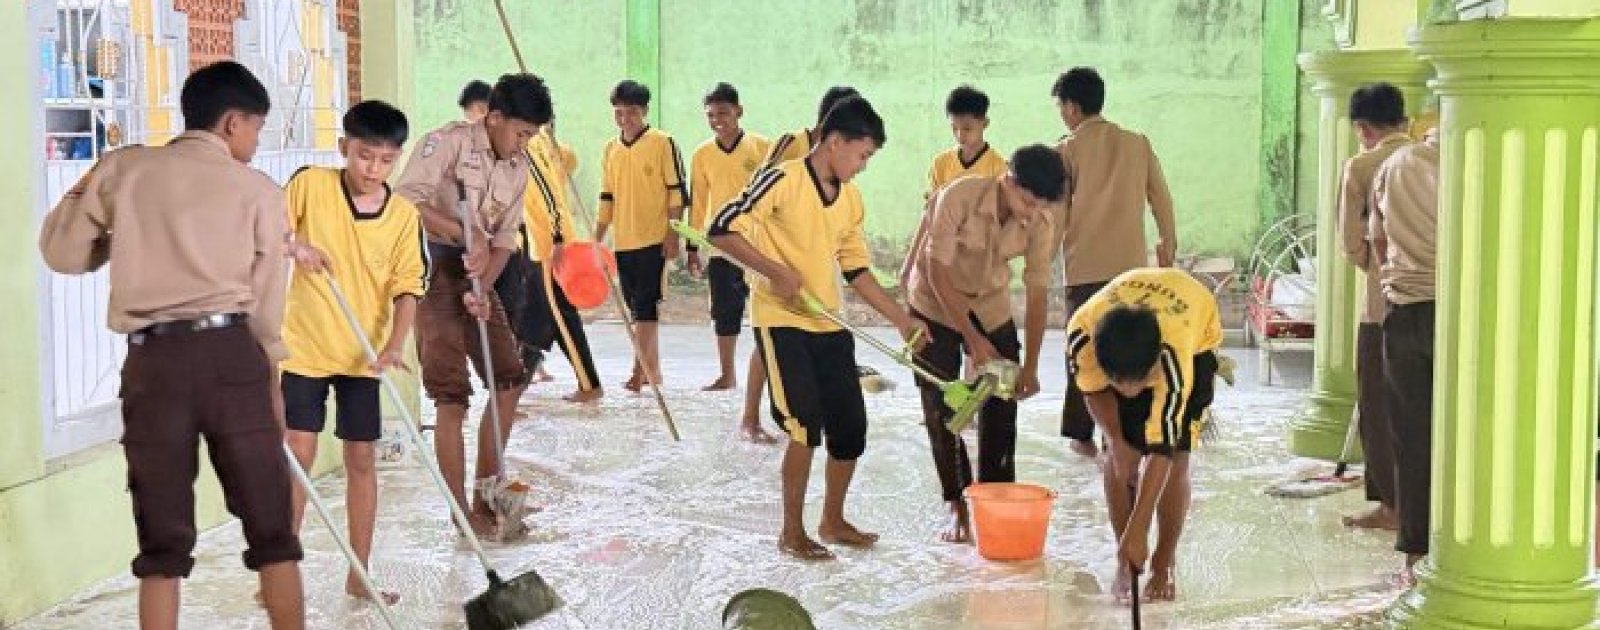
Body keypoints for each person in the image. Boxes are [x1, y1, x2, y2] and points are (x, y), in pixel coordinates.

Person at [38, 60, 306, 630]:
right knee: (272, 528)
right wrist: (269, 382)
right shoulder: (258, 190)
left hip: (152, 363)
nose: (256, 143)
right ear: (233, 122)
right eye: (256, 129)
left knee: (161, 540)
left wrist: (119, 221)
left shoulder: (125, 169)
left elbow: (62, 253)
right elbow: (264, 304)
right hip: (232, 355)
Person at [710, 95, 929, 560]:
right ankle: (792, 530)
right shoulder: (782, 179)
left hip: (829, 322)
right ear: (834, 142)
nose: (864, 166)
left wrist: (902, 320)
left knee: (850, 428)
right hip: (780, 321)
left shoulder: (850, 200)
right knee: (804, 424)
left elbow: (857, 271)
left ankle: (832, 519)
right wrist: (772, 270)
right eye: (862, 155)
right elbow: (720, 227)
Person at [279, 100, 424, 605]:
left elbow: (409, 287)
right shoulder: (310, 185)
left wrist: (393, 344)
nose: (374, 170)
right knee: (299, 453)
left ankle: (358, 573)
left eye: (387, 160)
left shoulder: (404, 216)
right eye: (365, 156)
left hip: (366, 356)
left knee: (361, 457)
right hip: (305, 347)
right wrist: (294, 245)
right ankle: (282, 573)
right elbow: (268, 230)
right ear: (344, 148)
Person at [395, 73, 551, 535]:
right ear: (494, 117)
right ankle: (459, 510)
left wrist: (483, 286)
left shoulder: (518, 166)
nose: (523, 143)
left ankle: (490, 492)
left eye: (532, 136)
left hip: (481, 271)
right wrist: (459, 231)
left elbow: (505, 237)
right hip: (432, 268)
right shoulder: (447, 144)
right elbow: (401, 202)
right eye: (520, 132)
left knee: (508, 378)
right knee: (451, 397)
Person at [904, 145, 1067, 543]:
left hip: (989, 302)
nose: (1031, 213)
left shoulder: (1041, 219)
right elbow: (935, 269)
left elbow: (1038, 294)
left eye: (1040, 205)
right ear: (1007, 181)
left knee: (1002, 399)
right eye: (1027, 201)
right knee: (942, 404)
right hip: (933, 302)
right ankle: (956, 503)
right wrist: (973, 342)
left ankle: (994, 496)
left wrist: (1029, 367)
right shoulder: (957, 197)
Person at [1067, 267, 1222, 604]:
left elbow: (1163, 448)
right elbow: (1093, 390)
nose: (1129, 391)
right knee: (1115, 455)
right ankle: (1126, 561)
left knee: (1179, 458)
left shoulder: (1174, 354)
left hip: (1194, 339)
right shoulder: (1083, 333)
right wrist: (1117, 441)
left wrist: (1141, 527)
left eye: (1137, 381)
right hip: (1126, 328)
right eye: (1118, 382)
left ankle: (1164, 564)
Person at [1052, 67, 1179, 459]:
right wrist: (1167, 245)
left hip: (1084, 268)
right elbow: (1162, 198)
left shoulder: (1067, 150)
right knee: (1127, 347)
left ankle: (1081, 433)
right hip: (1130, 271)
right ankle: (1126, 431)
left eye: (1060, 106)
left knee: (1083, 348)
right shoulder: (1137, 143)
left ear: (1073, 107)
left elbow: (1057, 213)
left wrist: (1042, 261)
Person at [736, 85, 863, 434]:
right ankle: (751, 416)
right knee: (771, 341)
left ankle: (812, 401)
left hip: (817, 263)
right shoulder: (791, 146)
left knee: (819, 329)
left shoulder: (845, 167)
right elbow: (759, 194)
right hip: (774, 265)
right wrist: (770, 266)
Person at [1336, 83, 1413, 531]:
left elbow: (1351, 244)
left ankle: (1391, 504)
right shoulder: (1434, 157)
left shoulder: (1363, 166)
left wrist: (1377, 268)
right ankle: (1425, 503)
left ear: (1363, 128)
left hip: (1382, 302)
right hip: (1436, 300)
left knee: (1378, 402)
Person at [1369, 127, 1439, 586]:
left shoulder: (1394, 165)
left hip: (1407, 310)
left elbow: (1376, 241)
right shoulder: (1484, 163)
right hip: (1470, 319)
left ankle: (1414, 555)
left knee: (1412, 437)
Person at [687, 82, 774, 428]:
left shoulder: (763, 148)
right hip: (721, 245)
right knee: (725, 311)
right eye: (710, 115)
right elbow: (698, 203)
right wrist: (693, 246)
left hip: (758, 246)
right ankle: (727, 375)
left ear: (739, 111)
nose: (717, 120)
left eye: (723, 113)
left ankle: (767, 376)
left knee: (764, 313)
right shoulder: (702, 155)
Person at [595, 79, 689, 392]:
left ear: (645, 111)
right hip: (624, 241)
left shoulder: (663, 143)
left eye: (632, 112)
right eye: (619, 113)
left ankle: (640, 369)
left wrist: (672, 233)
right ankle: (654, 369)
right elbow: (606, 196)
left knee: (645, 307)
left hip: (654, 239)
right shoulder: (611, 149)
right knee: (635, 304)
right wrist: (597, 238)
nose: (625, 119)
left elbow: (677, 193)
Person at [521, 117, 604, 402]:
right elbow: (568, 161)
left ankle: (589, 385)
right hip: (541, 244)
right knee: (536, 316)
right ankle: (516, 386)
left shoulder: (528, 146)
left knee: (560, 315)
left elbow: (549, 195)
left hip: (548, 246)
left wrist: (556, 237)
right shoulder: (541, 141)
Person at [900, 84, 1010, 289]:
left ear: (985, 123)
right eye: (954, 128)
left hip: (978, 264)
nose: (960, 135)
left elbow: (999, 224)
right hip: (942, 258)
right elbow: (929, 216)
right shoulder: (941, 164)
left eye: (967, 128)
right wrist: (910, 261)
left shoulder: (998, 168)